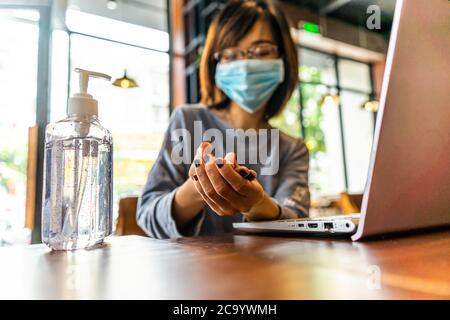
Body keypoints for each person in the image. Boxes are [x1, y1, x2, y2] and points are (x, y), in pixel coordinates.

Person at [137, 0, 310, 239]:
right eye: (231, 54)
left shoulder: (292, 149)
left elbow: (298, 218)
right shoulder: (188, 121)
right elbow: (148, 214)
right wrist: (200, 187)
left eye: (261, 51)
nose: (246, 64)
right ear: (215, 63)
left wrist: (257, 203)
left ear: (284, 60)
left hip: (269, 271)